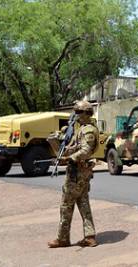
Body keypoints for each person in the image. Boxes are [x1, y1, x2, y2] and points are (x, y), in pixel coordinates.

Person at [48, 100, 99, 248]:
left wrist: (70, 158)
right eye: (75, 112)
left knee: (66, 205)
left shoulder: (88, 130)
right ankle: (89, 237)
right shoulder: (81, 128)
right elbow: (75, 147)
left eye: (78, 112)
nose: (75, 115)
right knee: (83, 204)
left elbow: (86, 151)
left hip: (78, 172)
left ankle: (63, 238)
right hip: (80, 172)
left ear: (86, 113)